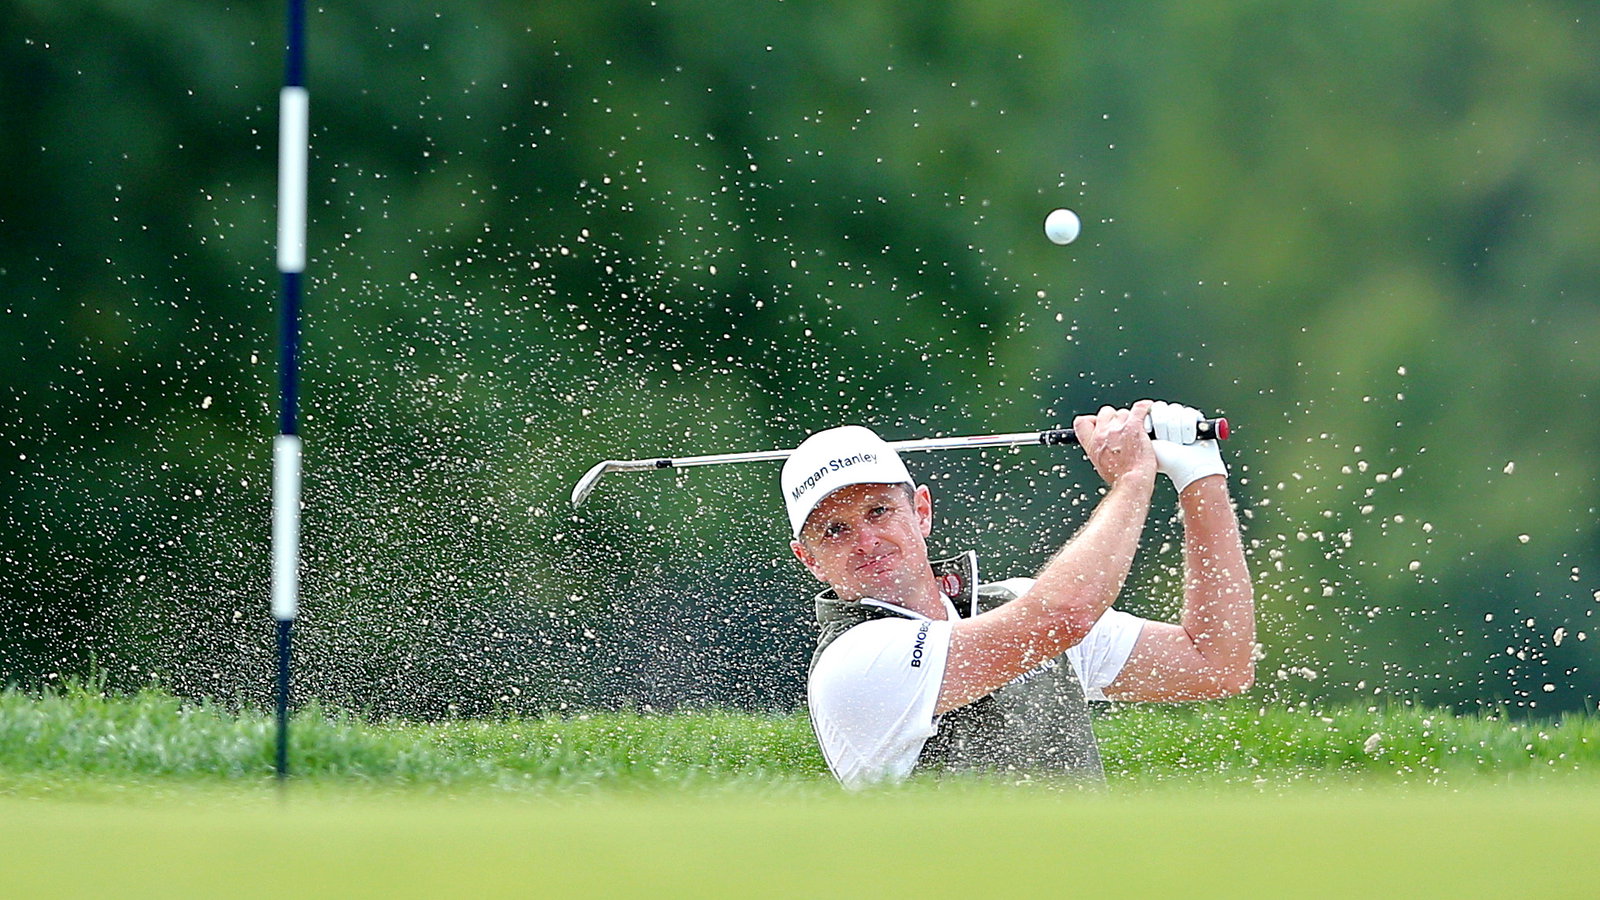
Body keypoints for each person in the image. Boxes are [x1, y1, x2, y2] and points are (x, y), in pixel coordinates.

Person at [782, 400, 1255, 788]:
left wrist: (1199, 477)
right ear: (810, 560)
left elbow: (1215, 664)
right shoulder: (852, 663)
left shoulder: (1011, 601)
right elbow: (1062, 617)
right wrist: (1133, 480)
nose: (866, 541)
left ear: (921, 512)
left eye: (879, 511)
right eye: (835, 530)